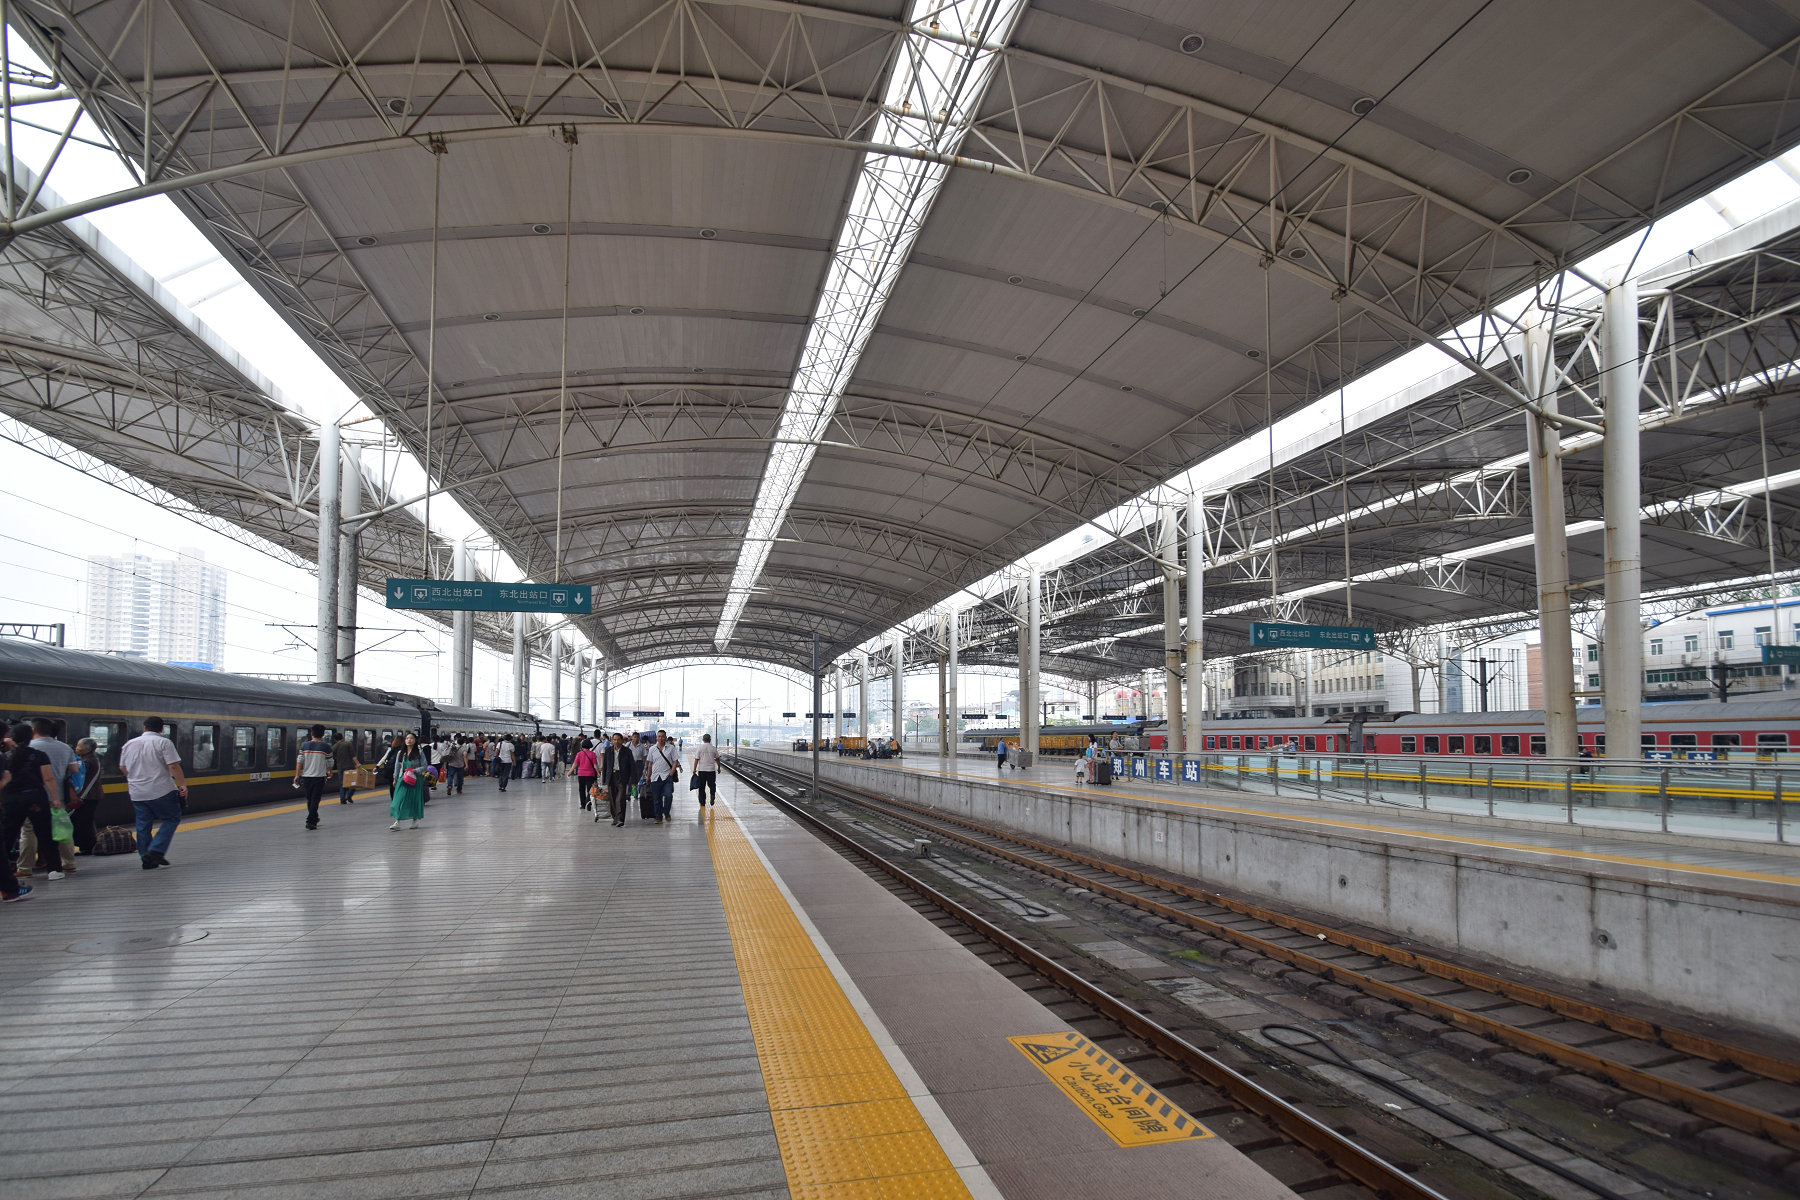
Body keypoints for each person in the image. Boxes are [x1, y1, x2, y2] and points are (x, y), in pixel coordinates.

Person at [1, 723, 62, 900]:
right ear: (31, 735)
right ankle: (54, 870)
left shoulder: (6, 756)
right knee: (44, 833)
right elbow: (48, 778)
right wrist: (55, 798)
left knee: (7, 837)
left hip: (11, 800)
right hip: (35, 799)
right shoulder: (39, 755)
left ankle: (9, 871)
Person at [119, 716, 185, 870]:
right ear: (161, 729)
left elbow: (123, 768)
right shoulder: (163, 742)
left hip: (137, 792)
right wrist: (182, 785)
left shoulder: (129, 744)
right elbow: (173, 766)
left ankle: (146, 859)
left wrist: (136, 778)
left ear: (144, 728)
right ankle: (156, 850)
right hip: (161, 790)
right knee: (171, 818)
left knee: (143, 826)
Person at [22, 719, 76, 876]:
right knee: (62, 828)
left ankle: (25, 867)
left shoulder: (29, 747)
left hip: (34, 796)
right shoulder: (65, 747)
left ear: (33, 730)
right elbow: (73, 769)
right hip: (57, 795)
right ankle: (69, 863)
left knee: (29, 831)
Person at [292, 724, 332, 830]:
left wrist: (297, 775)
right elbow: (330, 762)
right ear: (323, 734)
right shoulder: (326, 747)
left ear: (311, 733)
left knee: (310, 799)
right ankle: (310, 821)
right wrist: (330, 772)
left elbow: (299, 761)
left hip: (306, 777)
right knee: (315, 799)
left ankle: (314, 818)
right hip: (319, 777)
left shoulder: (304, 746)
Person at [388, 733, 428, 831]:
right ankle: (397, 821)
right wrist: (395, 778)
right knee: (397, 801)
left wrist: (416, 770)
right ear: (404, 741)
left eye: (411, 738)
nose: (409, 740)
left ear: (415, 740)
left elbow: (425, 766)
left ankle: (414, 820)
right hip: (403, 779)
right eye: (407, 738)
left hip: (415, 779)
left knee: (414, 800)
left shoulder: (419, 752)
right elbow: (397, 766)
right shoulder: (400, 753)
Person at [70, 737, 102, 856]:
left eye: (78, 746)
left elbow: (77, 773)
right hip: (92, 795)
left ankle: (87, 847)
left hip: (88, 796)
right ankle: (87, 845)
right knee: (86, 821)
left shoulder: (87, 761)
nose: (76, 748)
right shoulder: (92, 758)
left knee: (83, 822)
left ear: (87, 749)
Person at [644, 730, 680, 823]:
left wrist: (672, 772)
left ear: (665, 737)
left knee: (668, 795)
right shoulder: (652, 749)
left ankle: (667, 812)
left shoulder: (671, 748)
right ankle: (658, 816)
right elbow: (650, 764)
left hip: (667, 776)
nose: (661, 738)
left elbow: (675, 761)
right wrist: (648, 777)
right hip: (655, 776)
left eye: (662, 736)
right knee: (656, 798)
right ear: (656, 737)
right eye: (659, 736)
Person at [599, 733, 634, 825]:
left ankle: (620, 819)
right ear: (612, 740)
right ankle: (615, 817)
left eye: (618, 739)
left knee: (620, 798)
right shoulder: (608, 751)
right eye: (614, 739)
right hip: (611, 776)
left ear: (622, 741)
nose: (616, 741)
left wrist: (633, 780)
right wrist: (604, 780)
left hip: (622, 776)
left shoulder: (627, 751)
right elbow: (605, 766)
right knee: (612, 798)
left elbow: (632, 766)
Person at [691, 734, 720, 808]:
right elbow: (717, 759)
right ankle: (712, 794)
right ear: (710, 740)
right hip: (711, 770)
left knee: (701, 787)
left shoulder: (700, 748)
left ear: (703, 740)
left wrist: (694, 769)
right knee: (712, 784)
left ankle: (702, 802)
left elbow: (696, 759)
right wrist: (719, 768)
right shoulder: (713, 748)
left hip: (702, 770)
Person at [332, 731, 359, 804]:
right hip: (350, 767)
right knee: (353, 783)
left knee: (342, 783)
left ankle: (342, 798)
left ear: (335, 739)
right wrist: (357, 763)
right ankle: (349, 796)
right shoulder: (348, 744)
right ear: (343, 737)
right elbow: (353, 755)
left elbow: (331, 756)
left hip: (340, 767)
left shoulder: (334, 747)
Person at [573, 738, 599, 810]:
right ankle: (588, 802)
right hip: (590, 774)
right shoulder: (593, 754)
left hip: (581, 774)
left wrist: (570, 771)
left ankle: (583, 804)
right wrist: (598, 772)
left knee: (581, 789)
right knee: (590, 790)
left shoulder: (579, 754)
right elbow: (595, 765)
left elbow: (575, 764)